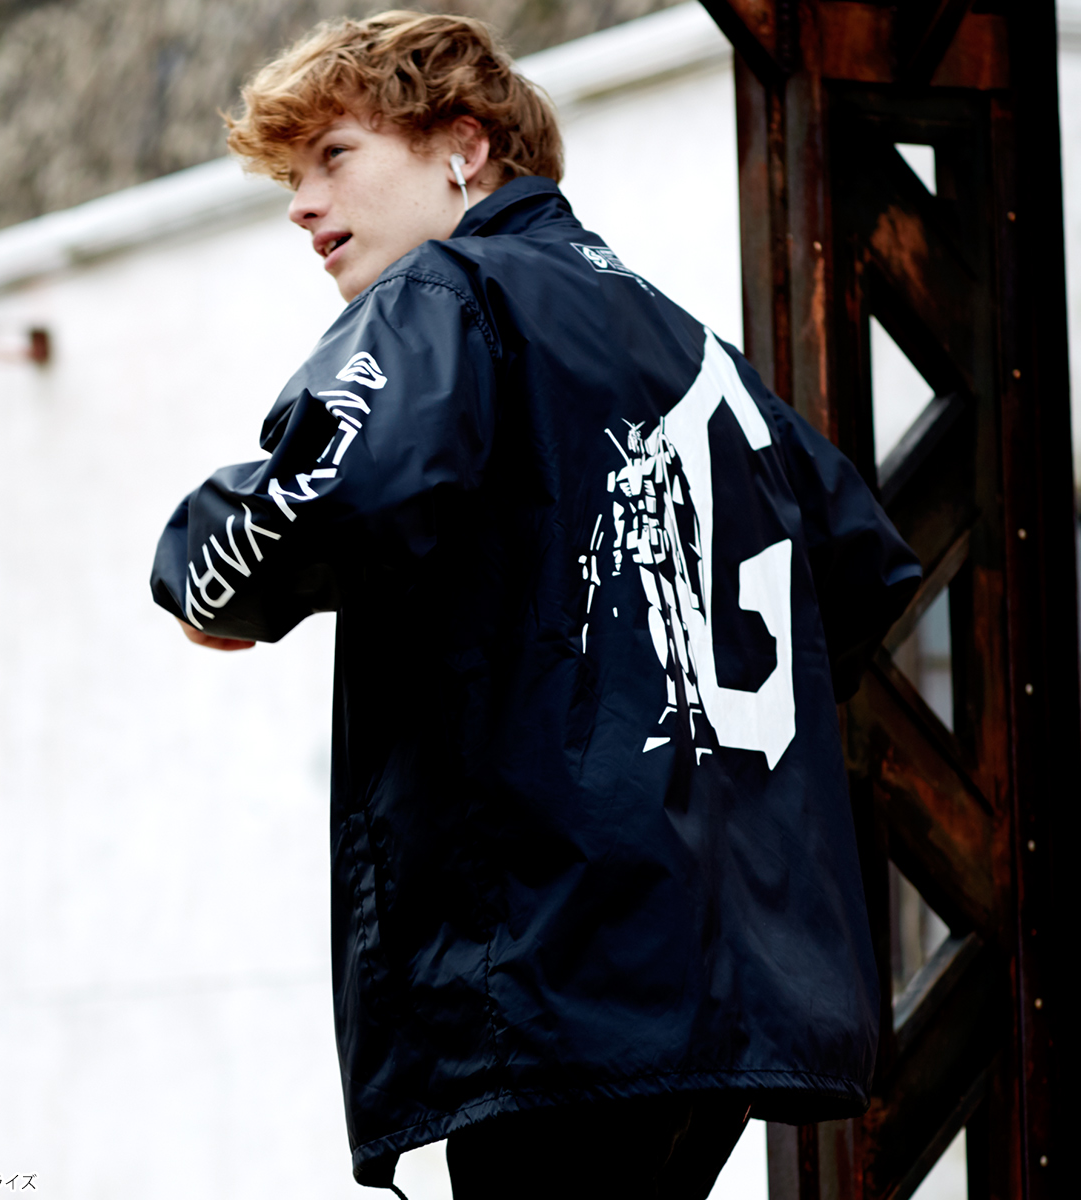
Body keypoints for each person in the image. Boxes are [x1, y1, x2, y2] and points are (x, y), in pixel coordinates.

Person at [150, 11, 921, 1198]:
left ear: (464, 146)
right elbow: (860, 572)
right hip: (728, 978)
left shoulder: (449, 290)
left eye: (335, 156)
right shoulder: (688, 346)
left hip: (559, 970)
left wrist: (207, 571)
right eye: (291, 177)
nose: (302, 205)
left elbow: (333, 490)